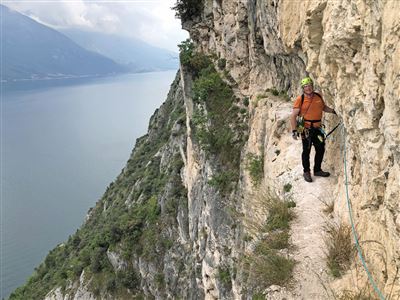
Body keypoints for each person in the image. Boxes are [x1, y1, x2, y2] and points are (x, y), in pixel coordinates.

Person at [290, 77, 336, 182]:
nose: (308, 88)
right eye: (305, 86)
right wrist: (294, 131)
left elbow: (323, 107)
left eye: (309, 85)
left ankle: (317, 170)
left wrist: (333, 111)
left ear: (312, 86)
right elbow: (293, 116)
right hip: (305, 129)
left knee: (320, 148)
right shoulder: (300, 99)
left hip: (317, 128)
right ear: (303, 88)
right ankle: (306, 172)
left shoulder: (318, 96)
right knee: (306, 150)